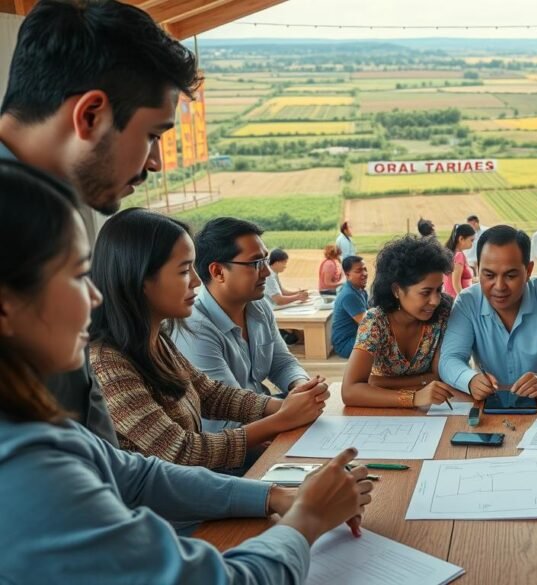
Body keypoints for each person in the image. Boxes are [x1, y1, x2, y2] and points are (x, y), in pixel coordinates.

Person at [0, 159, 372, 582]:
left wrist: (275, 496)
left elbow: (143, 473)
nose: (93, 296)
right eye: (75, 276)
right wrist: (307, 518)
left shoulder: (47, 425)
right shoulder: (30, 465)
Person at [0, 0, 201, 444]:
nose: (155, 163)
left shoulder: (52, 215)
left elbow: (97, 449)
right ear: (90, 115)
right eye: (152, 135)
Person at [88, 209, 328, 470]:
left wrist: (286, 405)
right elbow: (182, 452)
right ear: (139, 278)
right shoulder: (107, 365)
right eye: (184, 271)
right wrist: (283, 418)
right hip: (188, 485)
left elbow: (210, 394)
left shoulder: (156, 341)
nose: (195, 280)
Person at [172, 218, 325, 434]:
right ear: (218, 272)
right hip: (232, 437)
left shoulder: (258, 306)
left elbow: (281, 363)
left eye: (265, 260)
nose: (267, 272)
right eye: (255, 263)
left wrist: (302, 387)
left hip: (269, 414)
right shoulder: (195, 328)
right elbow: (229, 410)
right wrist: (292, 410)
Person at [439, 226, 537, 400]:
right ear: (478, 269)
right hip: (487, 403)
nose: (499, 286)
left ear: (528, 271)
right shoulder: (467, 302)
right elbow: (449, 360)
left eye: (510, 276)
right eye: (489, 275)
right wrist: (470, 380)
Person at [341, 237, 457, 408]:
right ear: (397, 290)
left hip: (427, 410)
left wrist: (379, 382)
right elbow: (350, 391)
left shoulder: (442, 316)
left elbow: (438, 377)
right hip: (382, 412)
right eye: (426, 292)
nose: (435, 301)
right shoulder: (376, 322)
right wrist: (414, 397)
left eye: (439, 290)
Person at [331, 256, 369, 359]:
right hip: (346, 345)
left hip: (356, 337)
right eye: (359, 271)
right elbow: (367, 324)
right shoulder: (349, 295)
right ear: (348, 275)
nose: (364, 273)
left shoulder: (360, 290)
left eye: (365, 269)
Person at [443, 223, 476, 297]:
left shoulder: (452, 253)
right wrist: (464, 300)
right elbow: (456, 284)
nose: (472, 243)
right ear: (461, 239)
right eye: (471, 240)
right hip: (457, 299)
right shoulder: (459, 256)